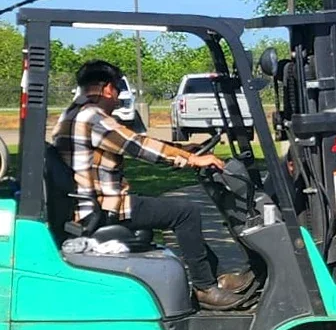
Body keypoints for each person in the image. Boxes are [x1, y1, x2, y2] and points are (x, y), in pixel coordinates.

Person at [53, 60, 251, 310]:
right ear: (107, 89)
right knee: (186, 213)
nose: (116, 99)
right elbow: (137, 146)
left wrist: (181, 150)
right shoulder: (92, 116)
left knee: (175, 211)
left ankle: (215, 277)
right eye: (117, 92)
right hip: (101, 209)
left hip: (90, 203)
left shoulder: (71, 113)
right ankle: (205, 287)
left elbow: (130, 140)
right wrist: (192, 159)